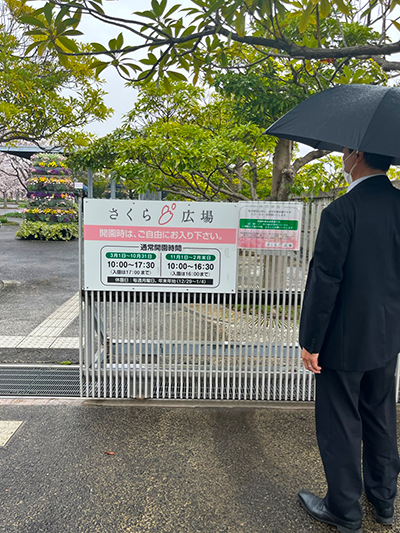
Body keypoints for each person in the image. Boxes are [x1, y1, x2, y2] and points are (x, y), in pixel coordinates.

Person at [298, 148, 400, 533]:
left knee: (340, 422)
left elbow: (325, 282)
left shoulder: (341, 212)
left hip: (342, 342)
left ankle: (344, 509)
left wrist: (311, 341)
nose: (342, 158)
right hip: (387, 337)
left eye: (344, 152)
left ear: (356, 156)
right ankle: (384, 499)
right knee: (381, 414)